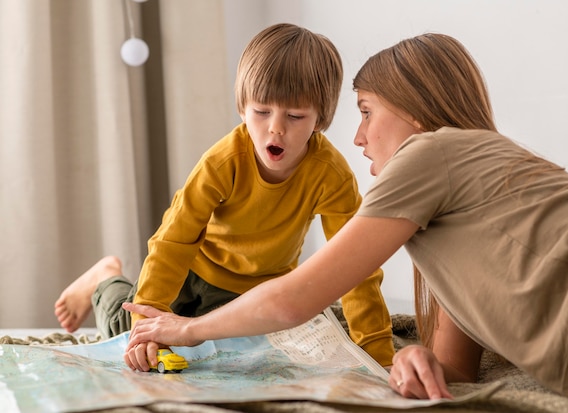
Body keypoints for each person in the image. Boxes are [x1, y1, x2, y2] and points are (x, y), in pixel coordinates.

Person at [123, 32, 568, 408]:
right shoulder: (453, 219)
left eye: (365, 112)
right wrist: (410, 360)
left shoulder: (429, 152)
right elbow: (453, 372)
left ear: (417, 113)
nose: (358, 137)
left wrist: (190, 331)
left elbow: (298, 297)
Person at [54, 23, 395, 368]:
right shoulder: (224, 162)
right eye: (261, 112)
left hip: (258, 292)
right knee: (126, 334)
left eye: (294, 116)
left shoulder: (330, 175)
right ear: (242, 108)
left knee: (267, 351)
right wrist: (146, 323)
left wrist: (379, 354)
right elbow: (173, 241)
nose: (275, 128)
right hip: (192, 274)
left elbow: (356, 266)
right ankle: (105, 278)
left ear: (320, 119)